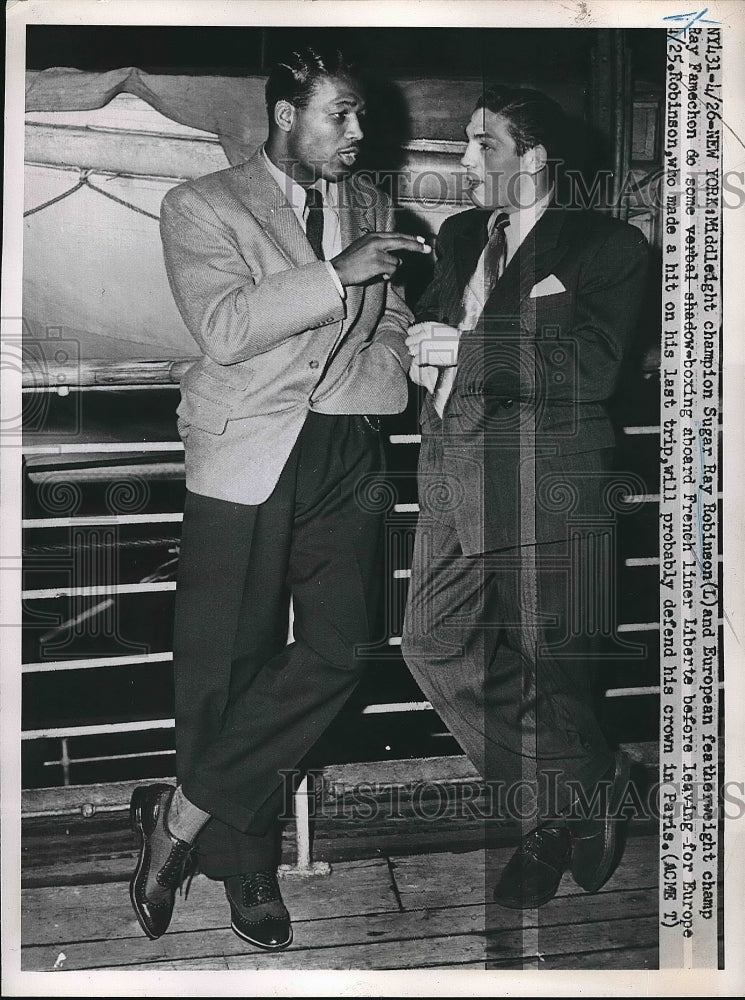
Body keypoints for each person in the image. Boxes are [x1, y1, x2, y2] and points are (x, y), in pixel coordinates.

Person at [128, 46, 431, 950]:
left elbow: (394, 319)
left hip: (345, 447)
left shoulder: (374, 208)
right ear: (286, 114)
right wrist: (337, 273)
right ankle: (246, 862)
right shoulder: (201, 204)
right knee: (226, 664)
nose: (358, 132)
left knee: (344, 648)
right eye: (340, 114)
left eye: (361, 115)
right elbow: (223, 327)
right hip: (245, 451)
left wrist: (373, 381)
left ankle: (181, 814)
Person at [401, 85, 649, 909]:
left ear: (532, 157)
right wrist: (414, 348)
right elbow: (435, 321)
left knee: (552, 666)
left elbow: (594, 365)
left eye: (481, 144)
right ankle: (592, 778)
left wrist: (467, 352)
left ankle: (545, 824)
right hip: (452, 471)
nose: (464, 160)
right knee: (432, 643)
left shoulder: (608, 244)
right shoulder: (459, 235)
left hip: (548, 477)